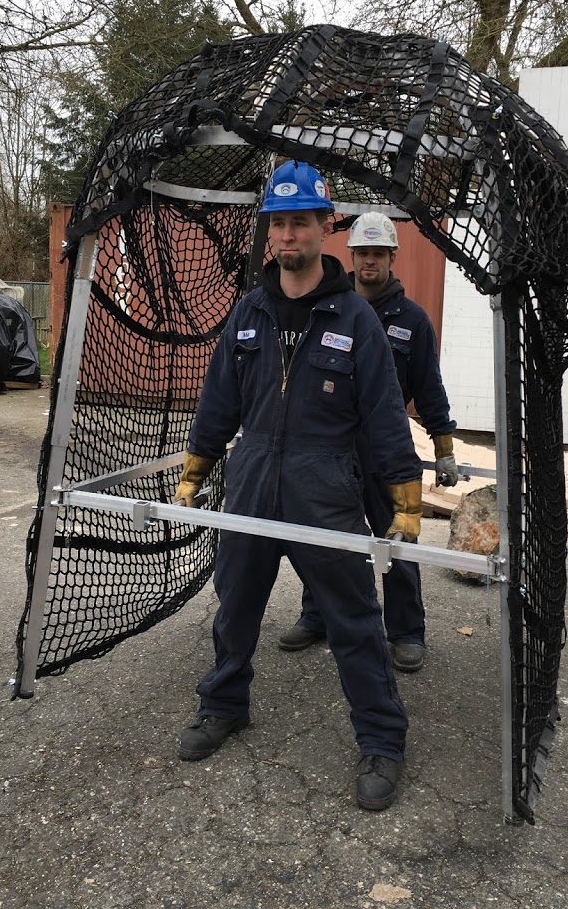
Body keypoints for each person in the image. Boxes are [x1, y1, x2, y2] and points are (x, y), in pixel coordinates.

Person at [174, 162, 424, 811]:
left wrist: (405, 501)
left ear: (323, 228)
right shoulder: (249, 314)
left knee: (353, 621)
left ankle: (382, 740)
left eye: (301, 223)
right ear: (270, 233)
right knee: (235, 607)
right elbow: (217, 404)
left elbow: (386, 417)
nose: (288, 235)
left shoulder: (355, 319)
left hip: (326, 484)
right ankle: (224, 705)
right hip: (253, 476)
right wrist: (196, 473)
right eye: (278, 224)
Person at [279, 212, 458, 673]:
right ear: (352, 256)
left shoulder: (412, 322)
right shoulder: (329, 310)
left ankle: (405, 633)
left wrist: (444, 449)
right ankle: (317, 616)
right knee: (325, 540)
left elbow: (429, 388)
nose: (369, 262)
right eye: (362, 254)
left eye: (378, 254)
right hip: (333, 449)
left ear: (392, 257)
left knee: (397, 539)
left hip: (384, 451)